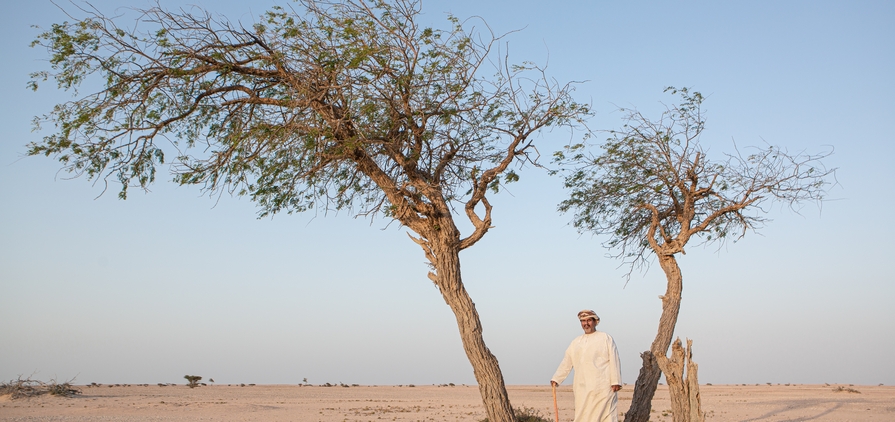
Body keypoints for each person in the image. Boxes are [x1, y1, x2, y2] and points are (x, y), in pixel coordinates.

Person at [551, 309, 622, 422]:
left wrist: (615, 381)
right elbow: (567, 361)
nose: (586, 324)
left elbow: (614, 359)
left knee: (606, 415)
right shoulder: (576, 342)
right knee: (583, 415)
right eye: (583, 321)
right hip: (582, 387)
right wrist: (557, 378)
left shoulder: (605, 338)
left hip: (602, 386)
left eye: (589, 320)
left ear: (595, 321)